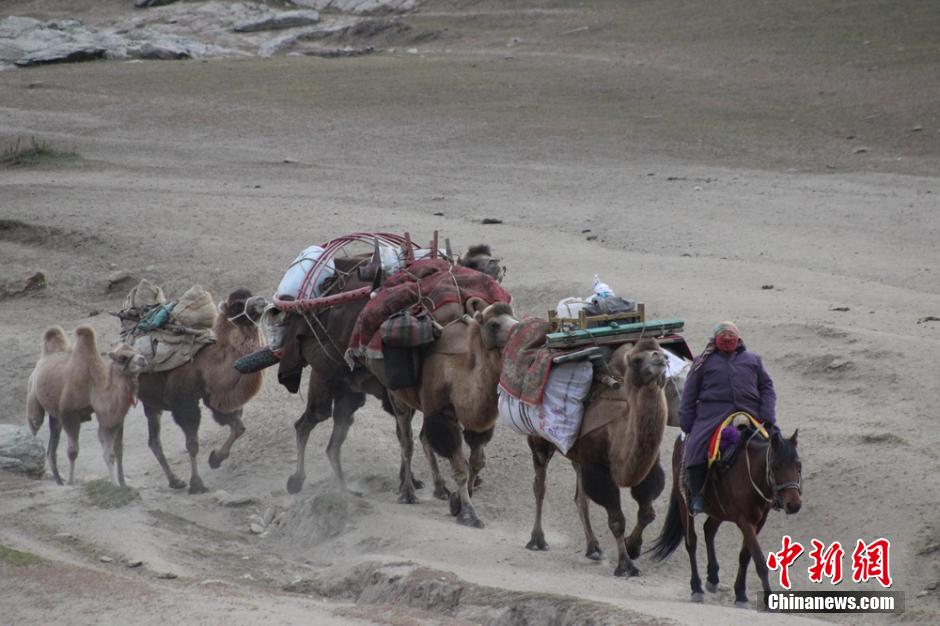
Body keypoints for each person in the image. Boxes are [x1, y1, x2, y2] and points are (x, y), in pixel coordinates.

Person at [678, 321, 777, 514]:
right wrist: (688, 422)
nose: (728, 339)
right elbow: (689, 394)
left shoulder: (753, 360)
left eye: (732, 335)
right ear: (715, 339)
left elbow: (767, 387)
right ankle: (698, 495)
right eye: (723, 335)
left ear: (739, 338)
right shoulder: (702, 362)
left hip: (751, 411)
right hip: (713, 414)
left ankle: (777, 491)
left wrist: (768, 414)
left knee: (779, 446)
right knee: (696, 446)